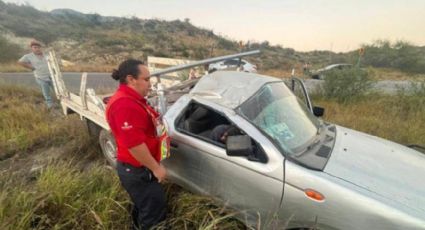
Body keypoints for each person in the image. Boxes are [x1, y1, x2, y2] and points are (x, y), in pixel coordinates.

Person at [105, 59, 169, 230]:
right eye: (147, 79)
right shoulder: (124, 105)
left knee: (144, 206)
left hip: (137, 169)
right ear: (131, 79)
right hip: (138, 170)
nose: (150, 84)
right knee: (153, 213)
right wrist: (156, 168)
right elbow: (135, 145)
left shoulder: (133, 99)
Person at [18, 40, 55, 109]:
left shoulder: (46, 55)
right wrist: (30, 67)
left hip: (51, 76)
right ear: (32, 48)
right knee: (46, 91)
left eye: (38, 47)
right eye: (35, 47)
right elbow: (20, 62)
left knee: (56, 89)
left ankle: (61, 101)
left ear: (41, 48)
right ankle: (50, 104)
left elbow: (52, 62)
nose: (37, 49)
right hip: (40, 77)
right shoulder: (28, 56)